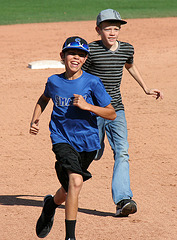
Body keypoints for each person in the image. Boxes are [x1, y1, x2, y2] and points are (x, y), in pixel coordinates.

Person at [29, 36, 116, 240]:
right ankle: (70, 237)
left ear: (85, 59)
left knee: (68, 189)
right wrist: (35, 118)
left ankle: (51, 204)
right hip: (61, 138)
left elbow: (111, 113)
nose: (76, 57)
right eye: (72, 53)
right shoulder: (54, 81)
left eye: (81, 54)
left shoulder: (92, 82)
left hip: (88, 142)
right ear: (63, 56)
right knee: (76, 181)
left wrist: (88, 106)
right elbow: (44, 99)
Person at [82, 9, 164, 217]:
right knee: (93, 152)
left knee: (122, 151)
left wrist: (145, 88)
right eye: (107, 29)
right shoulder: (90, 51)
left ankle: (123, 199)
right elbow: (80, 77)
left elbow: (130, 66)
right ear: (98, 30)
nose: (112, 33)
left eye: (116, 29)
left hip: (116, 109)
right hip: (94, 112)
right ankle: (75, 172)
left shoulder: (127, 49)